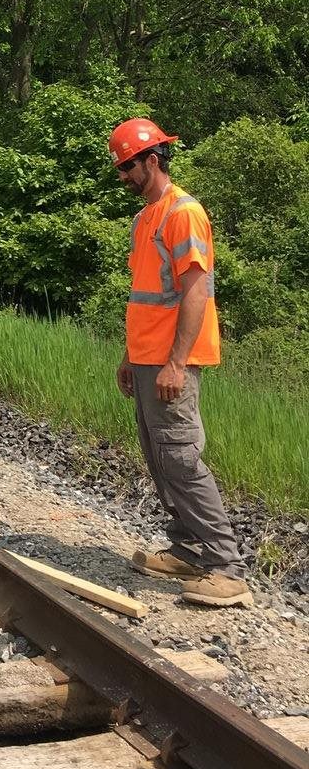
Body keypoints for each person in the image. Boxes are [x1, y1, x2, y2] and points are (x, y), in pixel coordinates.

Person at [109, 117, 251, 607]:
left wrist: (176, 362)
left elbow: (195, 292)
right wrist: (131, 356)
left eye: (128, 166)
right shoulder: (144, 218)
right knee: (159, 455)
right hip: (147, 360)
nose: (123, 176)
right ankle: (188, 547)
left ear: (153, 160)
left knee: (182, 460)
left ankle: (227, 568)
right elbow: (145, 295)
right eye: (120, 168)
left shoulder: (183, 213)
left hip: (171, 363)